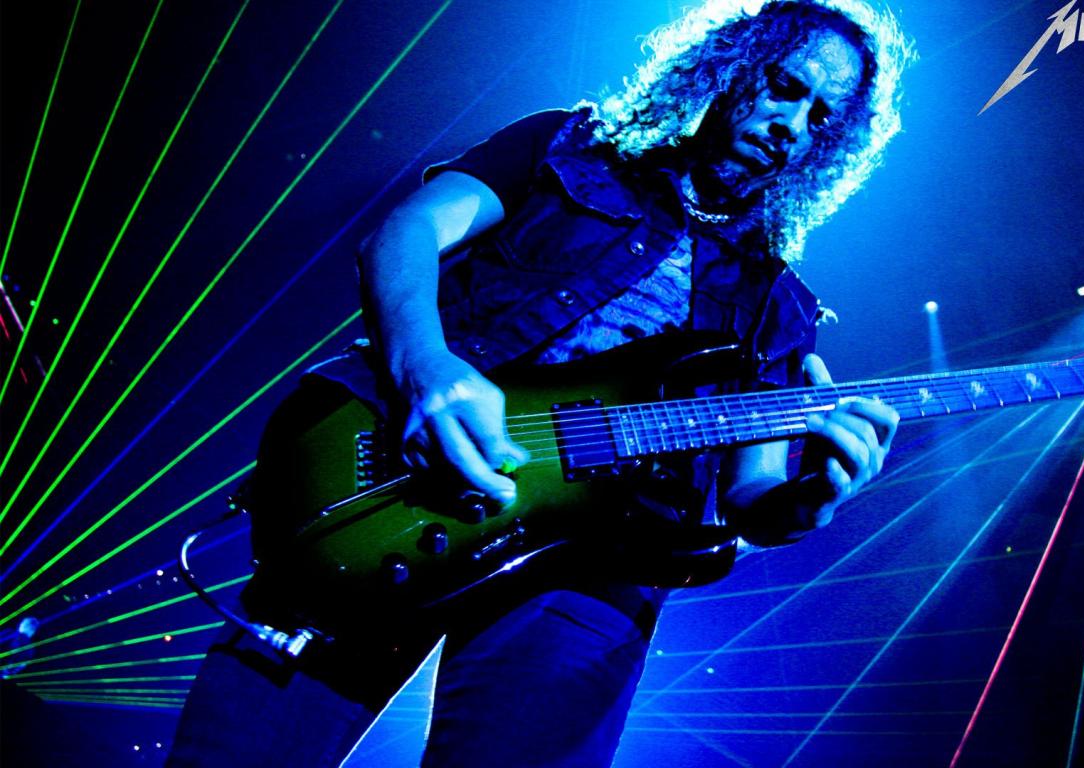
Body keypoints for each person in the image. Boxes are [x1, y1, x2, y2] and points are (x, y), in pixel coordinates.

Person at [168, 1, 913, 765]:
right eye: (786, 87)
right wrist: (427, 370)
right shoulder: (568, 147)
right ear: (732, 65)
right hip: (409, 480)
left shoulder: (779, 308)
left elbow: (754, 495)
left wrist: (811, 499)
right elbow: (406, 232)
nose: (793, 125)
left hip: (601, 564)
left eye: (821, 120)